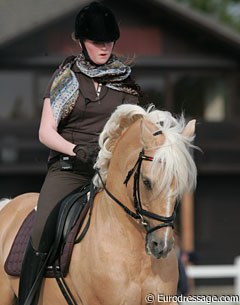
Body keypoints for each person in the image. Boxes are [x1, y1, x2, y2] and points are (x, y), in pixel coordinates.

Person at [18, 2, 141, 305]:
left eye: (108, 42)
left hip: (109, 173)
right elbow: (45, 132)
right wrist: (77, 150)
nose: (103, 47)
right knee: (43, 227)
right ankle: (27, 298)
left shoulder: (126, 84)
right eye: (97, 42)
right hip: (70, 170)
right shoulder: (67, 79)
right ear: (82, 42)